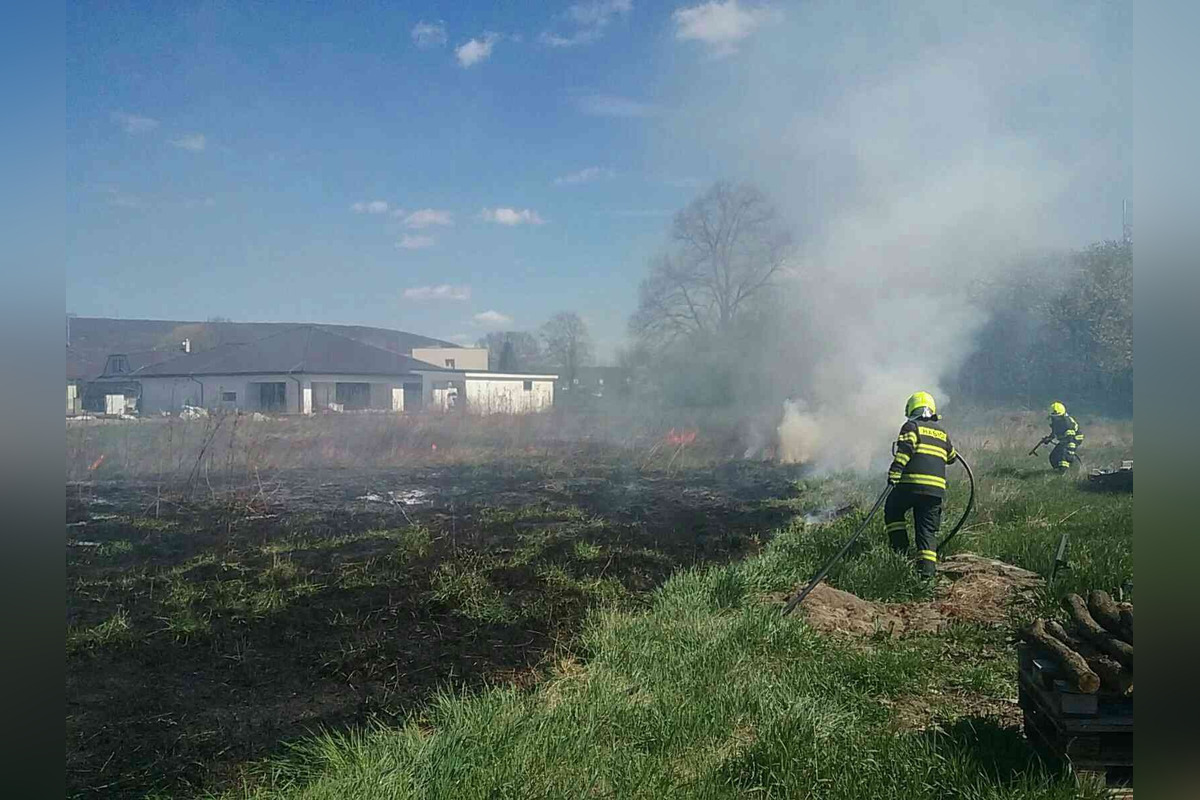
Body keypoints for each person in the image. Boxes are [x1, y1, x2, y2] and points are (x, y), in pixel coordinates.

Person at [884, 391, 958, 579]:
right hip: (935, 492)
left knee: (893, 509)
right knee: (927, 531)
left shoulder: (911, 426)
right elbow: (952, 458)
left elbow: (905, 450)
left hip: (910, 485)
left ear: (911, 408)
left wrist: (895, 471)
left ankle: (900, 553)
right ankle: (926, 577)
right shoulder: (942, 433)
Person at [1038, 401, 1083, 473]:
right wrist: (1049, 438)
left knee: (1063, 455)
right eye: (1054, 417)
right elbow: (1055, 432)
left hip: (1073, 440)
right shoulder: (1055, 421)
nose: (1056, 419)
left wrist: (1070, 452)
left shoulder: (1067, 423)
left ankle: (1063, 472)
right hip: (1064, 441)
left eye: (1057, 417)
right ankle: (1057, 470)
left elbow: (1070, 439)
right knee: (1053, 456)